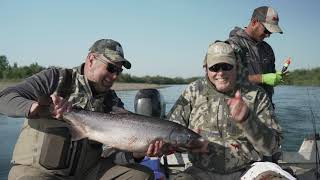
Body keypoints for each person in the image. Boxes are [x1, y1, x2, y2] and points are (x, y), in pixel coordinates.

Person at [0, 39, 163, 180]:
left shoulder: (112, 102)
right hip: (39, 172)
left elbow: (113, 155)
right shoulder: (55, 78)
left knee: (141, 175)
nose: (114, 76)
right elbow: (4, 98)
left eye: (118, 72)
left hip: (86, 174)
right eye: (111, 68)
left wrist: (137, 153)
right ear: (91, 60)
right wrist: (34, 107)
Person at [166, 41, 286, 179]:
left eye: (226, 66)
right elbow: (169, 133)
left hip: (247, 171)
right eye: (215, 67)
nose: (221, 73)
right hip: (200, 171)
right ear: (206, 68)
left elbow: (271, 148)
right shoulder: (193, 91)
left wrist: (248, 119)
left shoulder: (256, 95)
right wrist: (187, 145)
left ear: (237, 66)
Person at [227, 6, 285, 106]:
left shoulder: (268, 49)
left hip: (266, 109)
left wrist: (276, 77)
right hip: (241, 112)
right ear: (254, 22)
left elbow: (270, 75)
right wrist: (261, 78)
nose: (268, 35)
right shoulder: (232, 45)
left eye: (271, 32)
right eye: (266, 30)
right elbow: (227, 80)